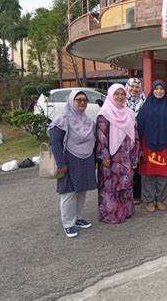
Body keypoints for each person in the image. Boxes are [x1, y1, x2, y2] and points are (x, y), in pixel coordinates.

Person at [48, 90, 96, 238]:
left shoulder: (88, 120)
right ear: (71, 101)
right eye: (78, 100)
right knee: (68, 192)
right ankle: (68, 223)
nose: (82, 102)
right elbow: (55, 142)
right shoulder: (62, 119)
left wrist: (93, 160)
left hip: (86, 158)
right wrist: (61, 162)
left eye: (84, 100)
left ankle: (77, 217)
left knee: (82, 190)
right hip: (69, 158)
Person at [96, 84, 138, 224]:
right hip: (111, 158)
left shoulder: (130, 113)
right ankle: (111, 215)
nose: (120, 97)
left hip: (126, 156)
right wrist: (104, 156)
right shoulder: (105, 113)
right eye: (117, 94)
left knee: (126, 183)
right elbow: (101, 136)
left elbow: (135, 136)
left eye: (122, 94)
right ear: (110, 95)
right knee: (111, 185)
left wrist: (135, 155)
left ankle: (126, 211)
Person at [137, 80, 167, 213]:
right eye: (156, 89)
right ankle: (149, 200)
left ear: (165, 91)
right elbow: (139, 129)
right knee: (147, 175)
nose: (159, 91)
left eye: (162, 89)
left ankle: (160, 199)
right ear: (152, 91)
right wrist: (139, 149)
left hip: (165, 146)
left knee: (163, 175)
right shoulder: (145, 108)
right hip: (147, 146)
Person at [125, 77, 146, 205]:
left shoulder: (145, 101)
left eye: (137, 87)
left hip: (140, 137)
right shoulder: (120, 101)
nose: (134, 89)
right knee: (124, 166)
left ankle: (136, 194)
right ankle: (125, 193)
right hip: (123, 139)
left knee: (137, 166)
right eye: (132, 86)